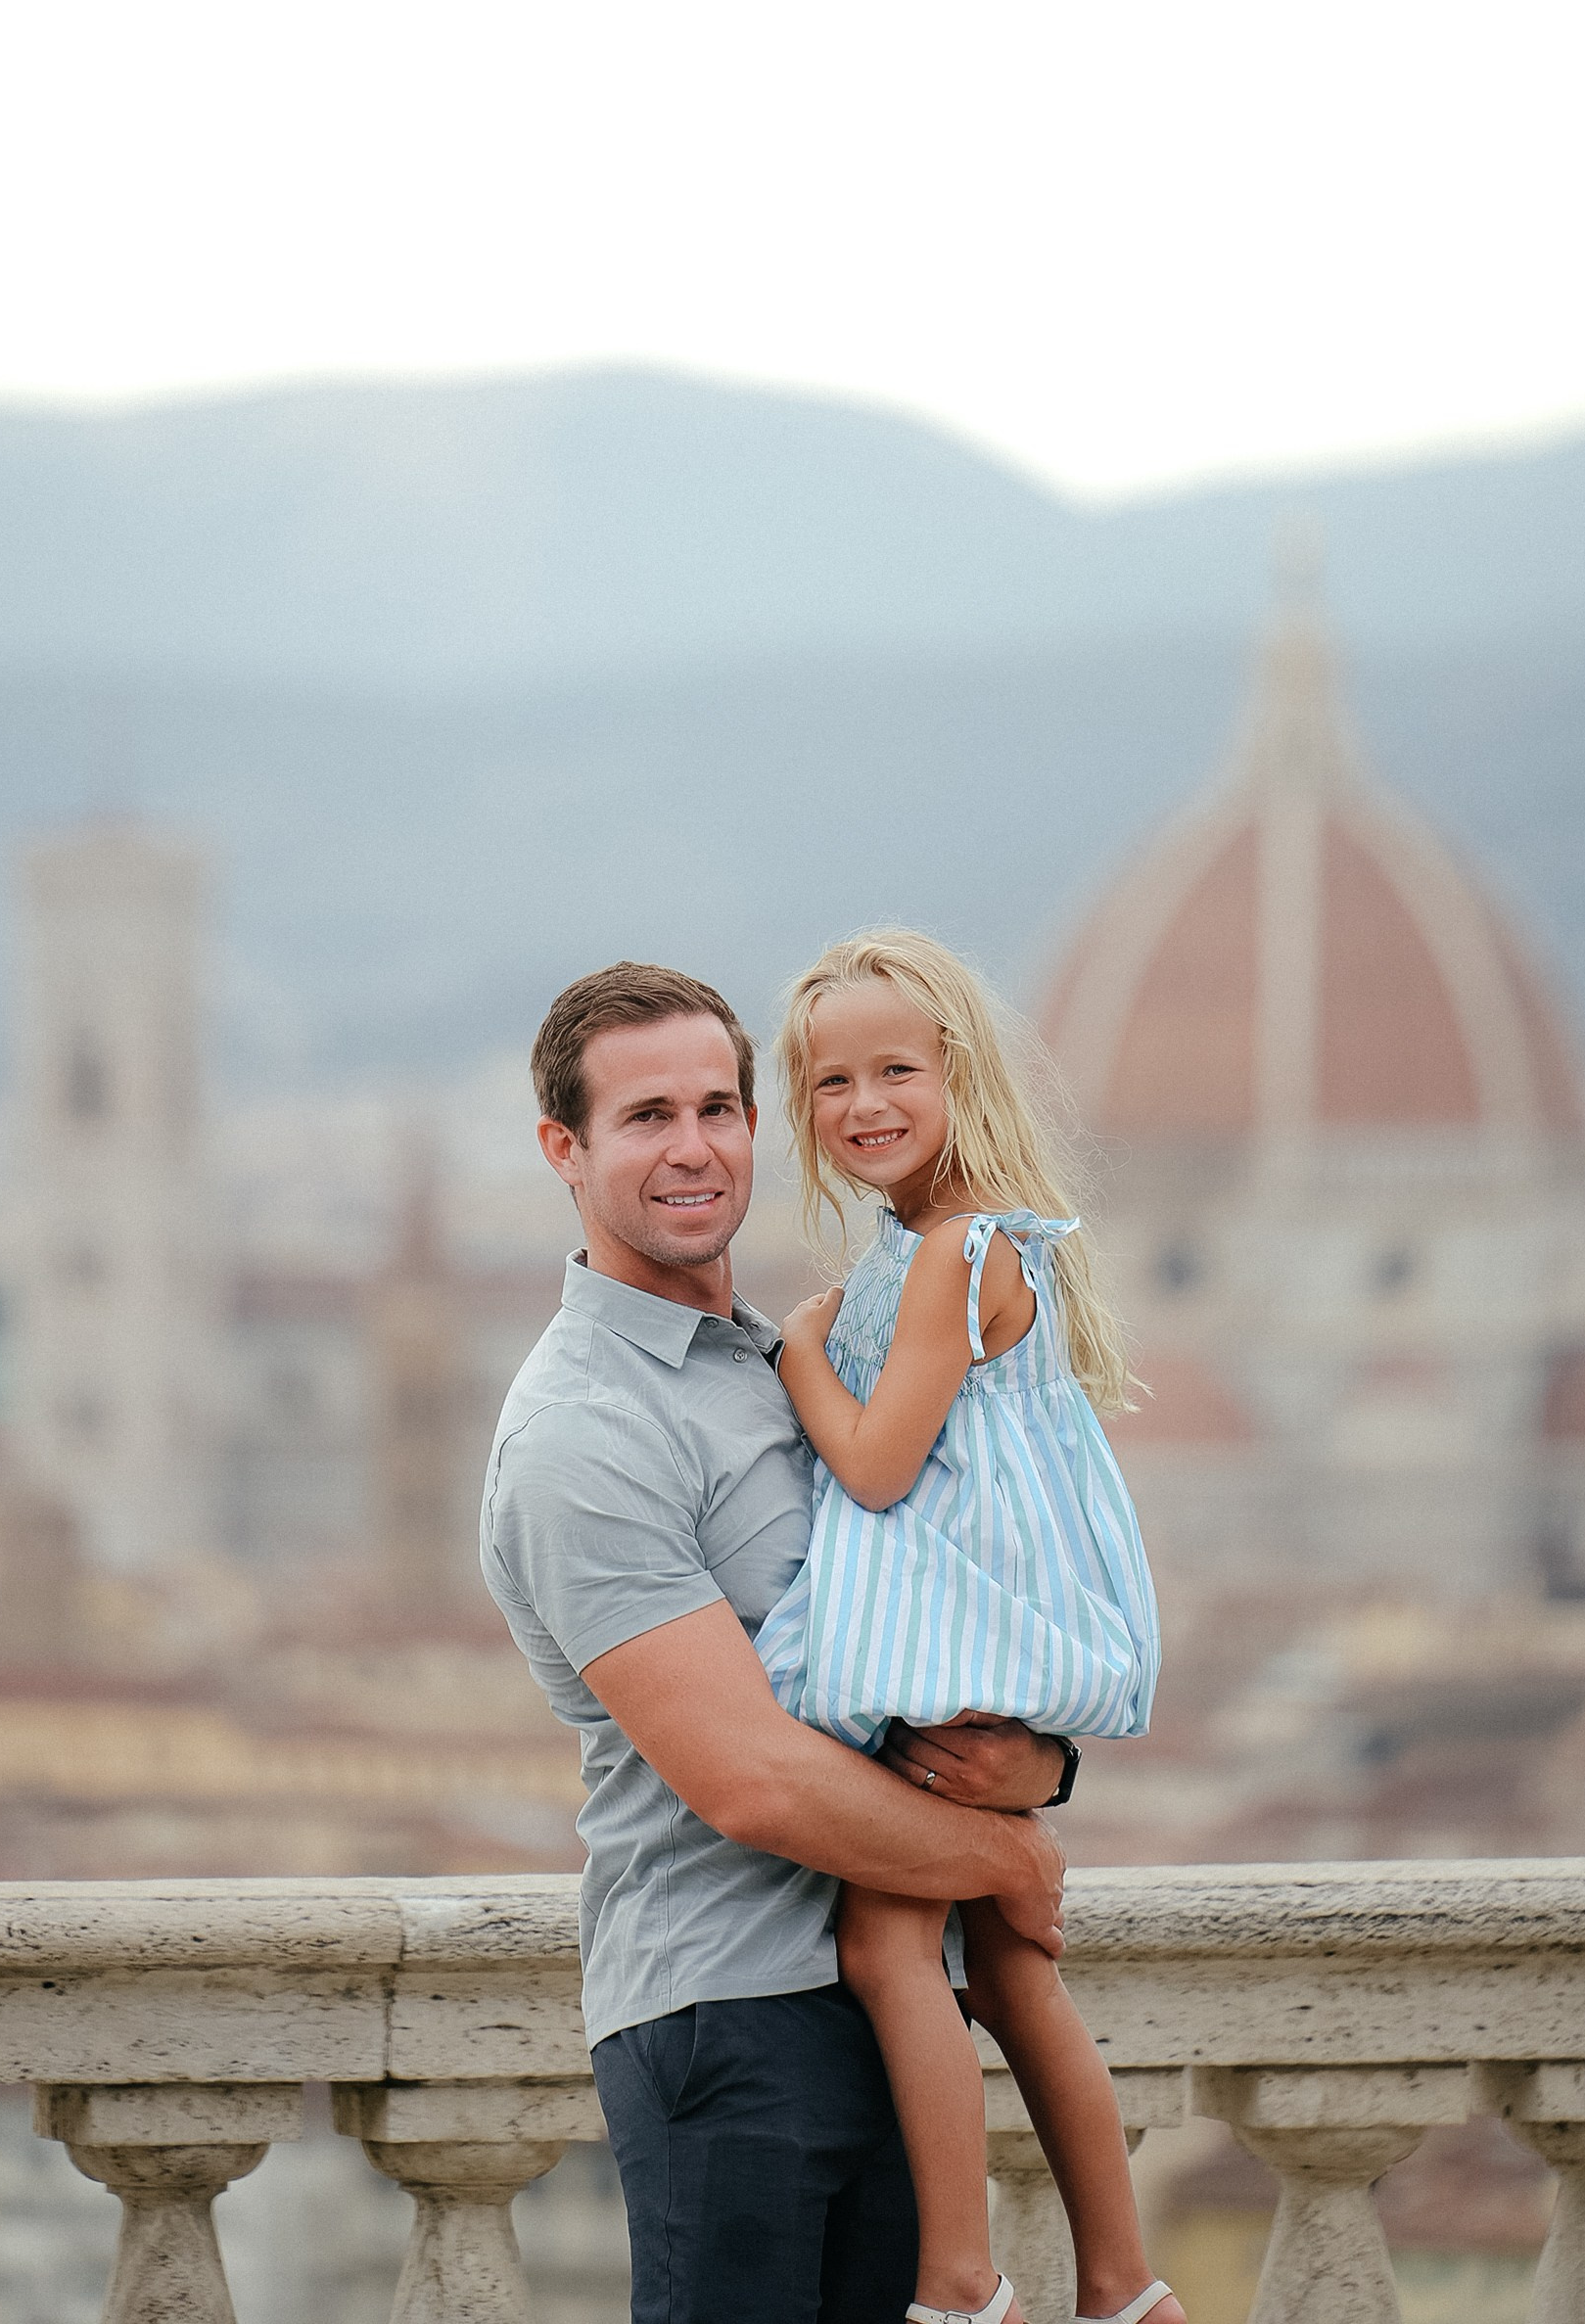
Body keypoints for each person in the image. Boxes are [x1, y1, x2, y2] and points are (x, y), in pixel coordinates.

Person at [481, 960, 1074, 2324]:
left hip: (891, 2002)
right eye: (644, 1118)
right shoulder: (584, 1434)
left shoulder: (794, 1370)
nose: (693, 1147)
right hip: (727, 2019)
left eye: (718, 1107)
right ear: (563, 1151)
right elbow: (746, 1778)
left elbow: (941, 1639)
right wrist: (1002, 1855)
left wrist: (1040, 1770)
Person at [754, 930, 1178, 2324]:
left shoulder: (954, 1251)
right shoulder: (970, 1237)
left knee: (887, 1949)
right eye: (830, 1083)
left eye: (894, 1071)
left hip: (953, 1654)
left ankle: (960, 2280)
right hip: (989, 1643)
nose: (863, 1104)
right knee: (1005, 1965)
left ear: (961, 1075)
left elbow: (876, 1467)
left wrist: (803, 1356)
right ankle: (1122, 2286)